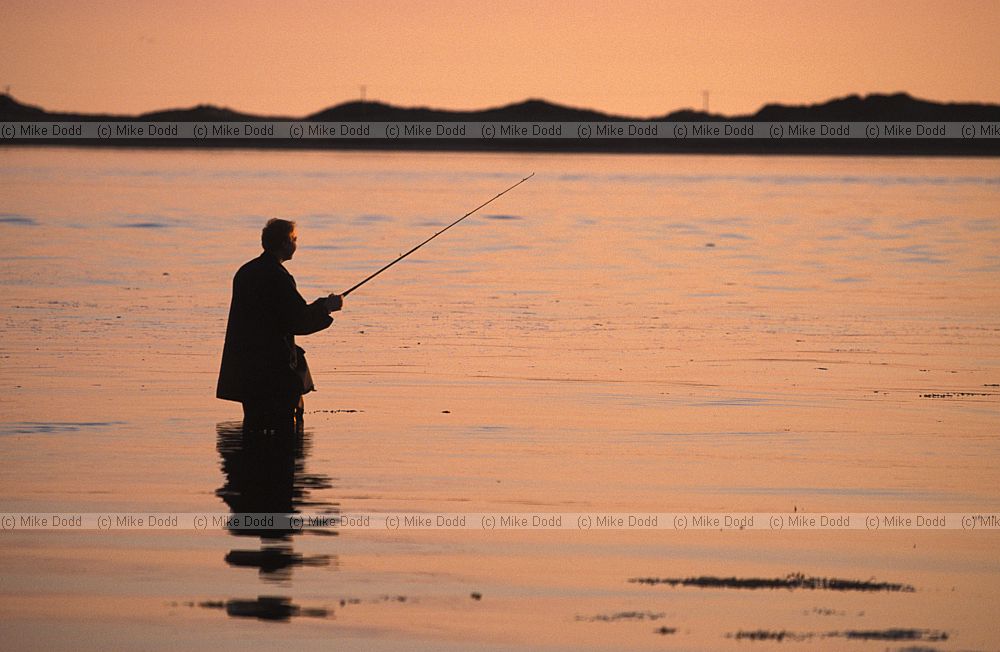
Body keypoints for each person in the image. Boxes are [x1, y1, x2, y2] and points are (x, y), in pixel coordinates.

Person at [217, 218, 343, 432]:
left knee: (254, 431)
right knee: (282, 435)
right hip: (273, 372)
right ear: (285, 243)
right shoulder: (278, 277)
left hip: (247, 370)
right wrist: (326, 307)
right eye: (294, 239)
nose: (296, 243)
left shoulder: (245, 272)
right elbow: (297, 320)